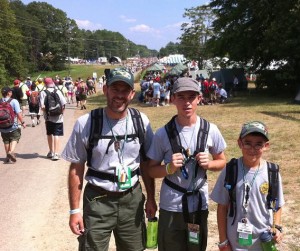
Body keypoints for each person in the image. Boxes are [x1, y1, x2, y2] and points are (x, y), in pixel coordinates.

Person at [61, 67, 157, 251]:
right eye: (115, 89)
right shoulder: (87, 123)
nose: (119, 95)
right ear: (105, 90)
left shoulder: (141, 122)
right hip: (98, 200)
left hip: (132, 201)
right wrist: (74, 211)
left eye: (125, 90)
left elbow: (146, 164)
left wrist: (151, 198)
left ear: (132, 94)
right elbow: (76, 168)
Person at [147, 77, 227, 251]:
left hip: (199, 204)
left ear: (199, 98)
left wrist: (210, 164)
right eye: (181, 97)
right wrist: (169, 167)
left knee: (196, 248)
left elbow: (222, 161)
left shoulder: (210, 130)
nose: (187, 103)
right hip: (171, 205)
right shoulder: (162, 134)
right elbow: (150, 170)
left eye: (191, 97)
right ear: (172, 99)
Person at [211, 121, 284, 251]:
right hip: (235, 244)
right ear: (240, 143)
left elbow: (277, 205)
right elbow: (222, 208)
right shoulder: (230, 170)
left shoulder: (272, 172)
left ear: (266, 146)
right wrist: (223, 241)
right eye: (248, 143)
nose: (252, 149)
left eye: (258, 145)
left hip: (264, 243)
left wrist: (277, 227)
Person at [39, 77, 67, 161]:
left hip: (48, 117)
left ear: (45, 84)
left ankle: (51, 151)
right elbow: (63, 104)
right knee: (56, 135)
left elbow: (42, 107)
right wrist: (61, 113)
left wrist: (46, 113)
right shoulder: (58, 91)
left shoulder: (43, 93)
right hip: (58, 117)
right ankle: (56, 153)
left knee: (49, 134)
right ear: (53, 83)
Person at [0, 87, 26, 163]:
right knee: (15, 137)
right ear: (8, 93)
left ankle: (7, 157)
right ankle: (11, 151)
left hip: (2, 126)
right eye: (11, 92)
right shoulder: (14, 101)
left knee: (6, 140)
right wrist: (23, 122)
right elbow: (18, 113)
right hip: (12, 125)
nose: (11, 93)